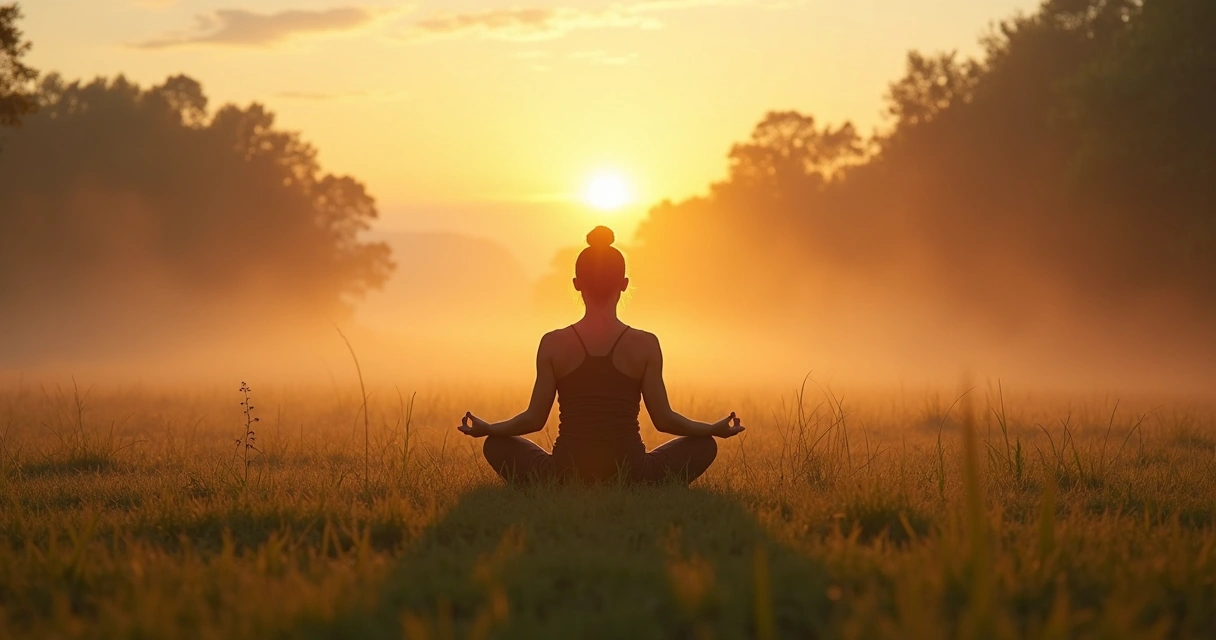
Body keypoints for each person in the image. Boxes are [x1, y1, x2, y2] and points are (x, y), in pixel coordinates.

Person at [457, 225, 745, 485]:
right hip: (633, 472)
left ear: (576, 283)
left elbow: (534, 419)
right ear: (623, 283)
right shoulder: (645, 344)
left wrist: (490, 428)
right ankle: (640, 486)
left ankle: (557, 485)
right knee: (705, 444)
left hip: (565, 473)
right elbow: (664, 420)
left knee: (495, 444)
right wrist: (712, 429)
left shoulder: (553, 343)